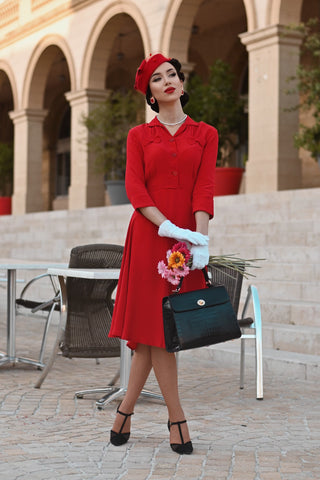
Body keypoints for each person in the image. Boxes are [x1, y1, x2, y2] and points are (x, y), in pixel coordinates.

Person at [109, 53, 218, 454]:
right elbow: (136, 191)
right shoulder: (139, 136)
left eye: (172, 74)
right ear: (151, 94)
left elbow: (203, 189)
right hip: (149, 235)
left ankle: (124, 410)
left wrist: (199, 239)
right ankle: (177, 419)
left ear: (182, 84)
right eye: (158, 79)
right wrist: (167, 227)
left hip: (185, 241)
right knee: (157, 332)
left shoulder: (206, 134)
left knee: (157, 332)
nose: (167, 81)